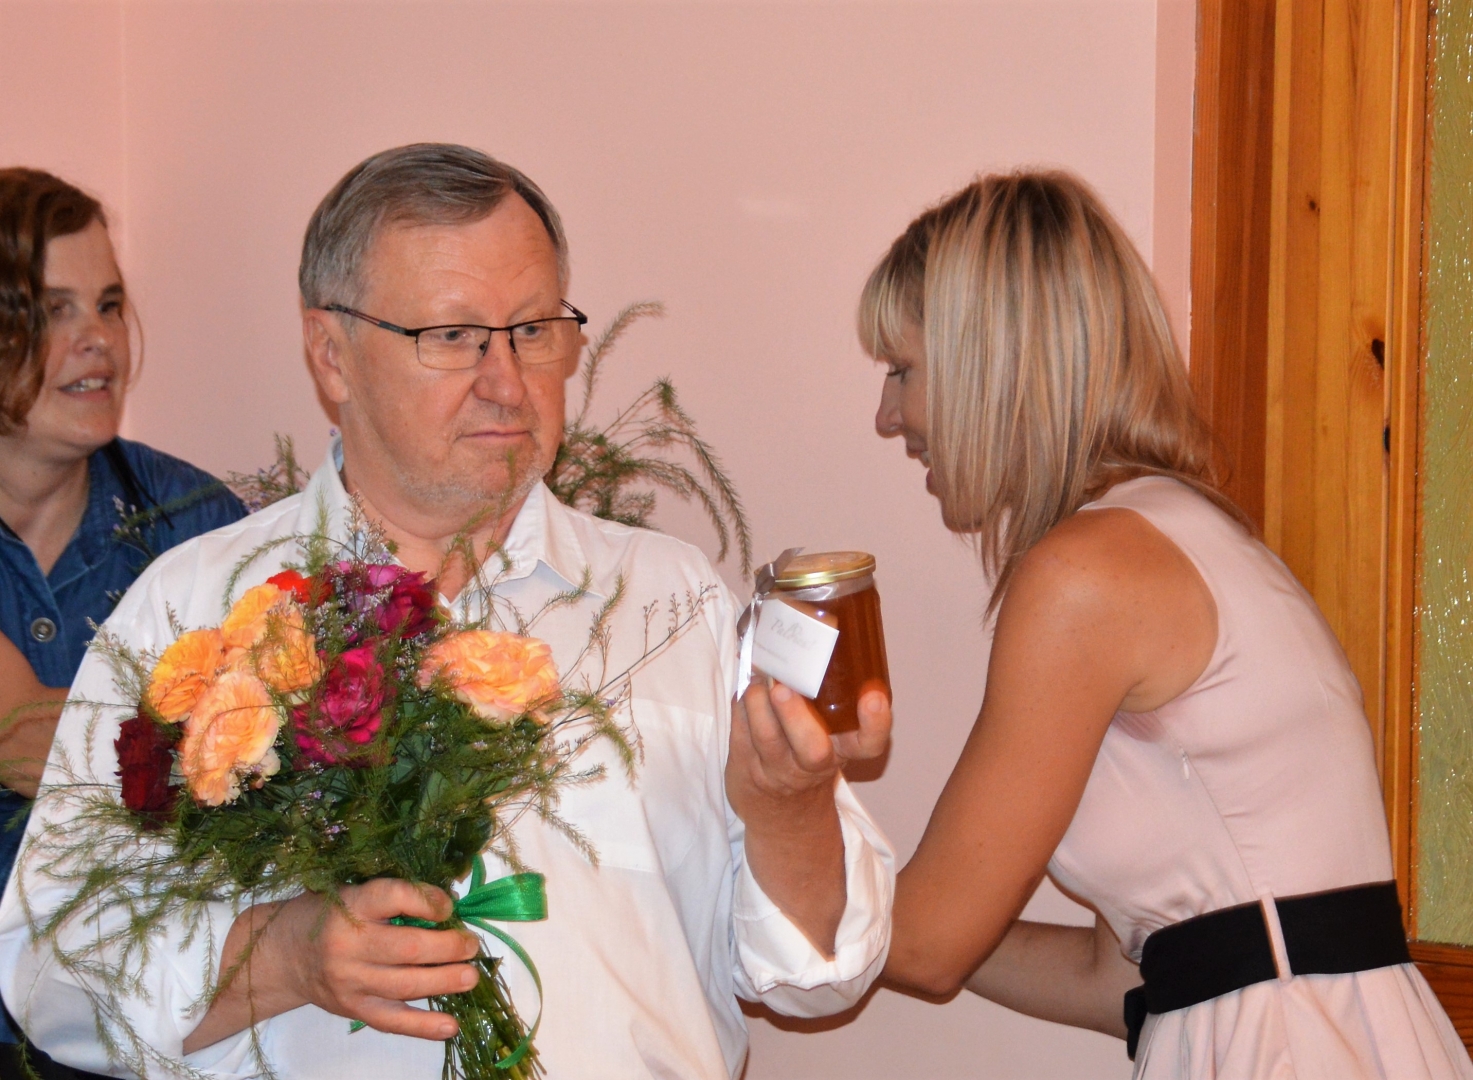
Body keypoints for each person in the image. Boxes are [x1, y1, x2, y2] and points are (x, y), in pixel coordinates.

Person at [0, 144, 895, 1079]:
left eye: (534, 329)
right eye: (454, 335)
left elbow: (820, 976)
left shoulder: (673, 602)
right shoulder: (193, 610)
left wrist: (788, 812)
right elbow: (50, 973)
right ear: (331, 356)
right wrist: (285, 956)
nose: (508, 380)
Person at [863, 171, 1472, 1078]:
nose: (887, 416)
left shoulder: (1088, 573)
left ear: (990, 361)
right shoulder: (1179, 534)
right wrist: (868, 903)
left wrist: (778, 834)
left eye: (902, 370)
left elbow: (927, 946)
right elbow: (1112, 977)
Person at [0, 168, 246, 1071]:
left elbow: (273, 776)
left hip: (140, 1028)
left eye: (107, 304)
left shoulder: (196, 526)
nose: (97, 339)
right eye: (51, 311)